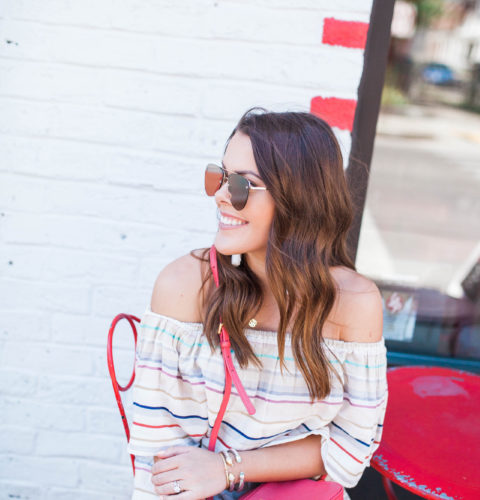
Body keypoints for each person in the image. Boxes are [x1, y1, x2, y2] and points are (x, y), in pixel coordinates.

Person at [127, 108, 388, 500]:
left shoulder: (352, 304)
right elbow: (156, 456)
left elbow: (352, 449)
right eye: (219, 177)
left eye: (241, 185)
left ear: (299, 198)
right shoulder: (185, 286)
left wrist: (228, 467)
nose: (219, 196)